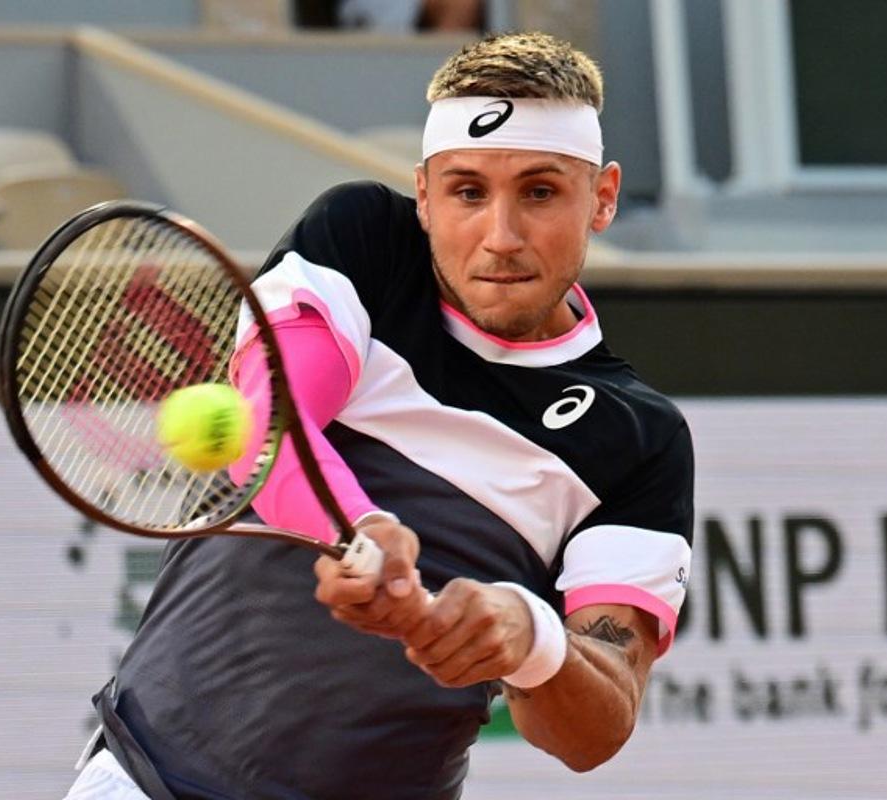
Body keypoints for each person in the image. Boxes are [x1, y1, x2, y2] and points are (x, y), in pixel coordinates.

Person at [65, 30, 694, 800]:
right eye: (467, 192)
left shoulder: (639, 439)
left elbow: (600, 724)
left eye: (539, 191)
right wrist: (358, 530)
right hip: (154, 776)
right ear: (424, 196)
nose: (500, 236)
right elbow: (270, 423)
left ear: (602, 197)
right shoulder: (363, 240)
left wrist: (534, 641)